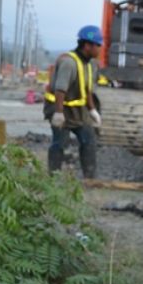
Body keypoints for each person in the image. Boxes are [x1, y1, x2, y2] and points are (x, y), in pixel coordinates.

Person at [44, 25, 103, 178]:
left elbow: (88, 89)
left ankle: (90, 179)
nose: (100, 49)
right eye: (98, 45)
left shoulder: (91, 64)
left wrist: (92, 110)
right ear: (87, 45)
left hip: (78, 111)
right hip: (60, 107)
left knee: (89, 141)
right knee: (59, 143)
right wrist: (58, 113)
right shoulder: (69, 62)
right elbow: (60, 90)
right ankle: (53, 178)